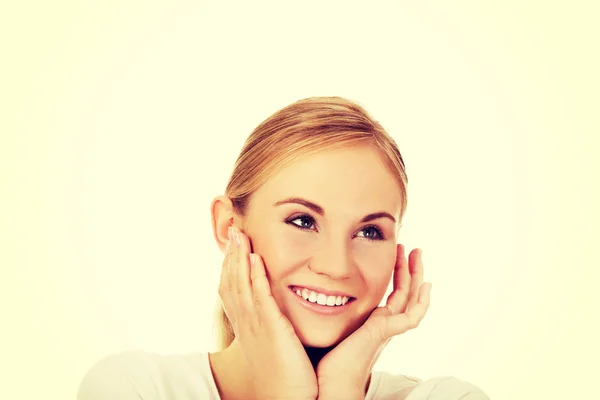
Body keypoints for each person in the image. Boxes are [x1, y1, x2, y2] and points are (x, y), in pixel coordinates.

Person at [78, 97, 490, 399]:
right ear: (228, 226)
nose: (336, 265)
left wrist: (342, 389)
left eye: (369, 232)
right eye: (303, 221)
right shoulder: (135, 388)